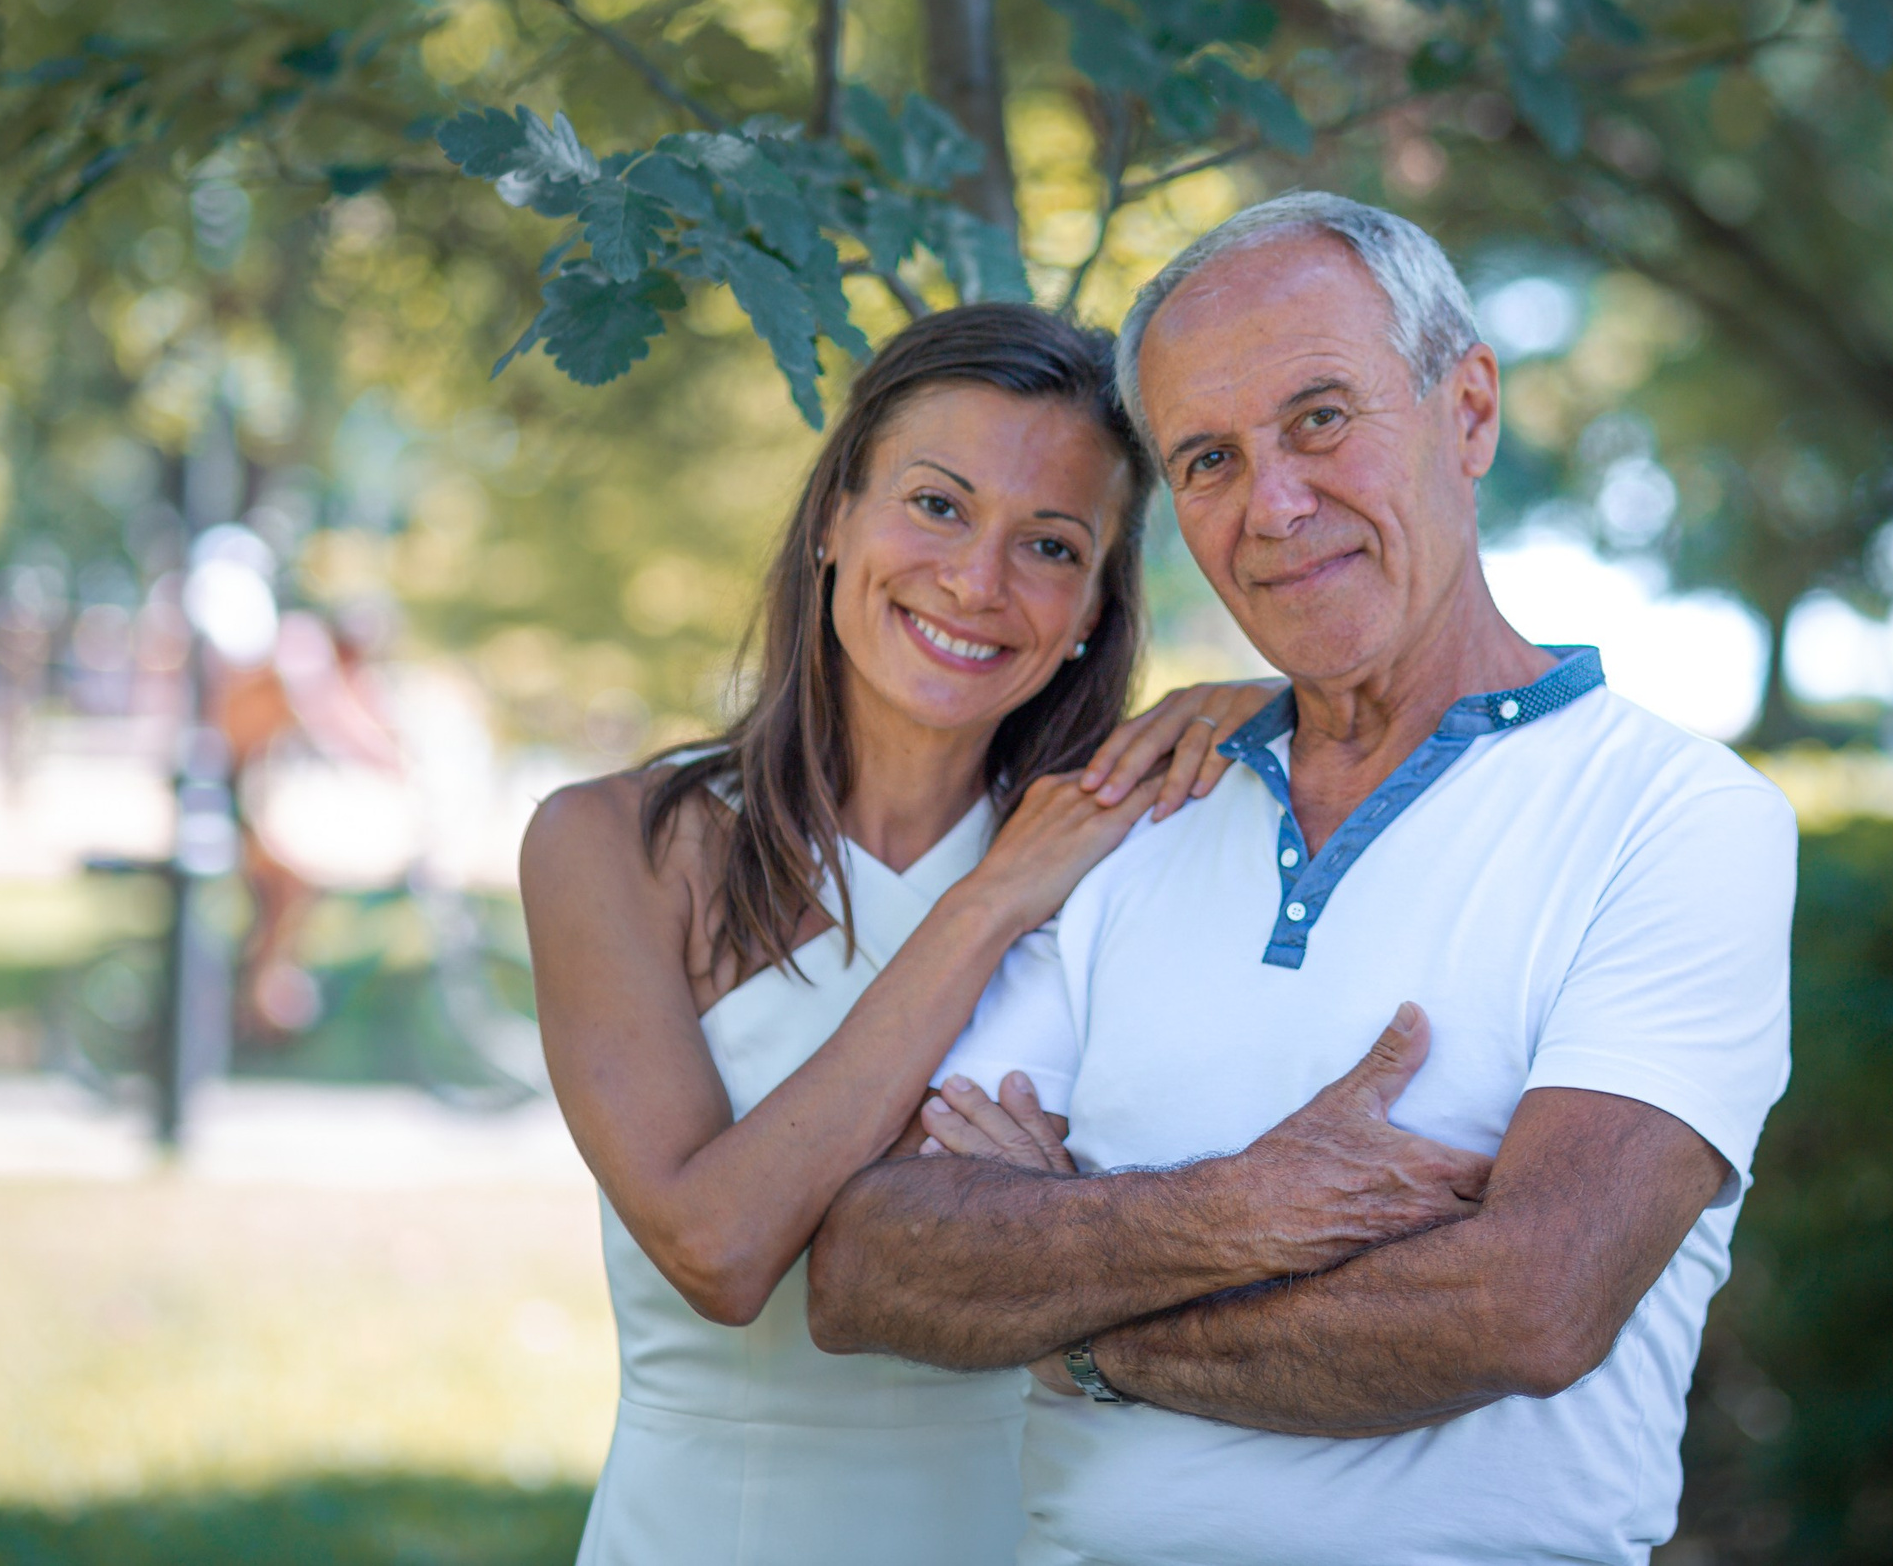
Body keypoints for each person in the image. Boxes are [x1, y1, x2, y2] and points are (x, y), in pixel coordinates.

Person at [805, 194, 1799, 1566]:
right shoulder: (1139, 809)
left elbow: (1525, 1304)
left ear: (1467, 412)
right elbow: (873, 1262)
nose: (1273, 505)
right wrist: (1246, 1208)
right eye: (1209, 458)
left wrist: (1081, 1331)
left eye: (1321, 419)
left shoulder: (1676, 816)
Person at [519, 304, 1317, 1566]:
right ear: (833, 518)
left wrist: (1287, 705)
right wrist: (989, 904)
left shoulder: (1137, 853)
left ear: (1096, 606)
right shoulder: (615, 843)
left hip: (1026, 1531)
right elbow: (718, 1249)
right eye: (937, 505)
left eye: (1049, 545)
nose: (976, 582)